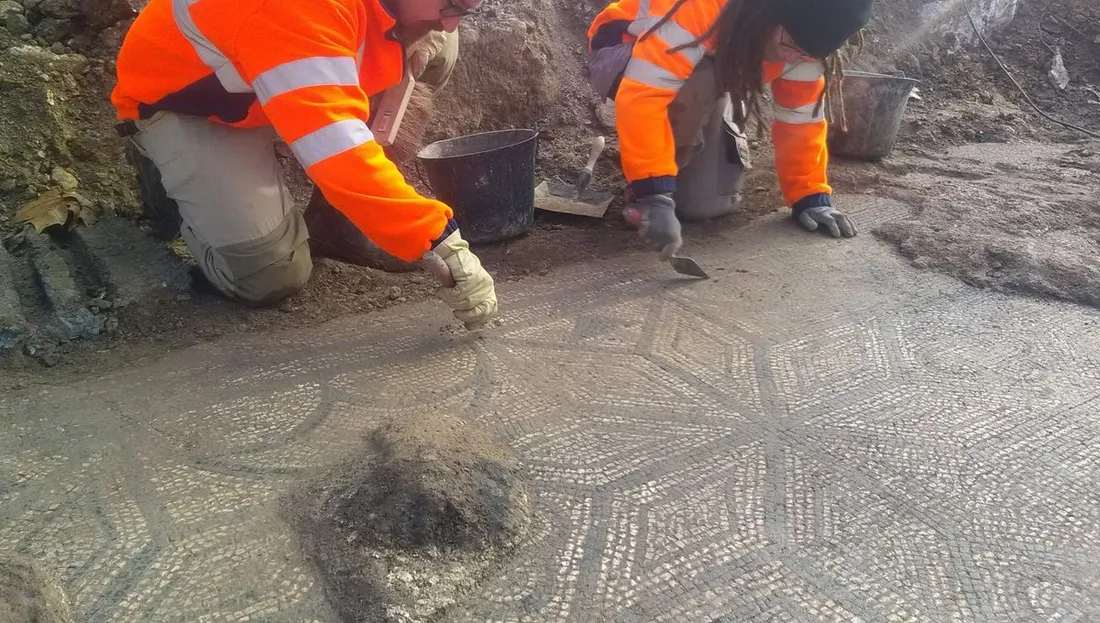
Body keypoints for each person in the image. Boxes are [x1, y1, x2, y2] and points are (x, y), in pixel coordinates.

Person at [110, 0, 497, 329]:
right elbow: (337, 150)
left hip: (288, 58)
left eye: (468, 7)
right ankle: (167, 165)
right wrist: (435, 238)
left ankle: (335, 220)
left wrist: (426, 27)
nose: (452, 20)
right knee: (269, 275)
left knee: (436, 43)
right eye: (450, 4)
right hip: (197, 103)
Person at [586, 0, 873, 259]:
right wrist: (654, 192)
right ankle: (647, 183)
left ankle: (671, 161)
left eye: (807, 55)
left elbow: (801, 121)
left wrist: (810, 196)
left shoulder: (806, 45)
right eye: (791, 45)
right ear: (766, 13)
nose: (794, 59)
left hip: (707, 68)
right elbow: (642, 97)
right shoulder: (700, 8)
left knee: (702, 206)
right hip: (626, 51)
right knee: (701, 79)